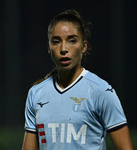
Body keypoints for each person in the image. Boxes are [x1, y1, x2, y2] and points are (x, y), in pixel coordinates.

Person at [22, 10, 133, 150]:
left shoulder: (101, 91)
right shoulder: (36, 93)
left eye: (72, 40)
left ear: (84, 46)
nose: (63, 48)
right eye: (56, 42)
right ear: (49, 47)